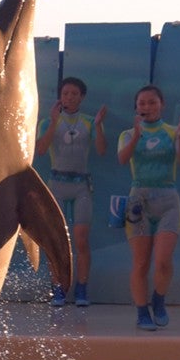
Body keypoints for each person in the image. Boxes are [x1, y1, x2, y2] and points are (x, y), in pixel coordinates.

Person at [116, 84, 180, 331]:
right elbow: (122, 159)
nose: (147, 107)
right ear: (136, 107)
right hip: (139, 199)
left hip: (168, 199)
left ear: (162, 105)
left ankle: (158, 300)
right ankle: (142, 311)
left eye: (152, 102)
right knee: (140, 263)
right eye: (142, 103)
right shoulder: (128, 134)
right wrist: (137, 136)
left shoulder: (173, 131)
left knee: (162, 260)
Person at [37, 76, 108, 307]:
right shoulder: (48, 122)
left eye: (74, 94)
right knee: (56, 240)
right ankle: (58, 288)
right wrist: (55, 122)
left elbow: (102, 151)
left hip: (81, 186)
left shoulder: (89, 122)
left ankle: (81, 288)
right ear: (60, 96)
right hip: (56, 184)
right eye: (66, 93)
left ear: (82, 97)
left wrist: (98, 126)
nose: (69, 97)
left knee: (81, 240)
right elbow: (39, 150)